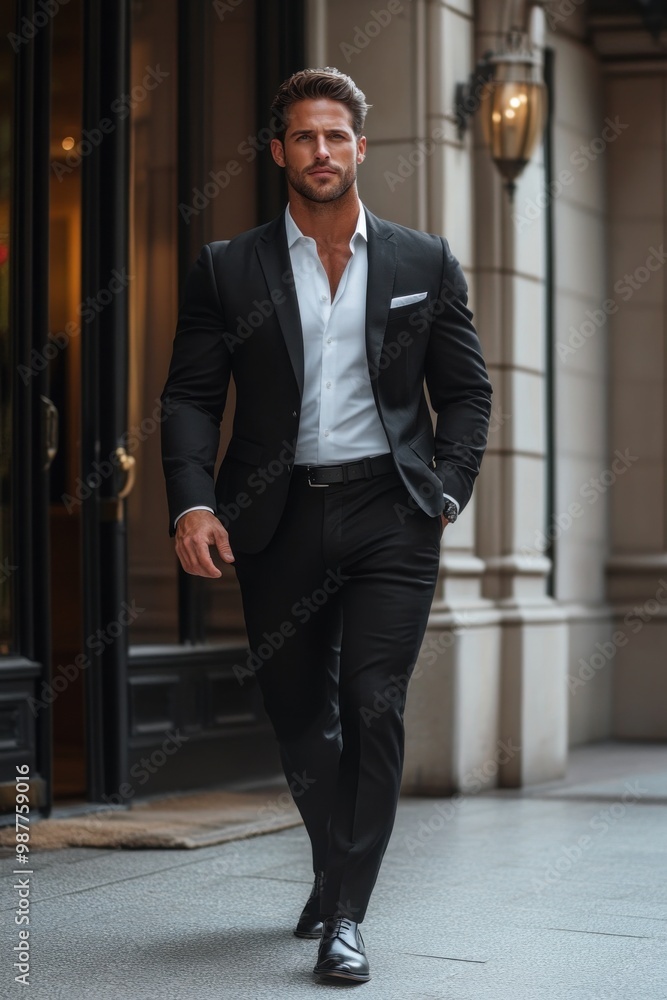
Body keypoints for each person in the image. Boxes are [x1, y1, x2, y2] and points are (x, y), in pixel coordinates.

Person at [161, 66, 492, 984]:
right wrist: (191, 502)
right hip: (276, 512)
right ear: (278, 152)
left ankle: (347, 914)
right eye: (303, 137)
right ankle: (331, 863)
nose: (321, 152)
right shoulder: (228, 268)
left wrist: (448, 490)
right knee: (300, 710)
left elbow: (466, 394)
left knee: (371, 704)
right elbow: (190, 398)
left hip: (392, 514)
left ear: (359, 148)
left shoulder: (424, 261)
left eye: (335, 136)